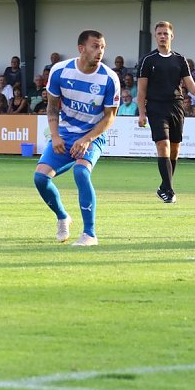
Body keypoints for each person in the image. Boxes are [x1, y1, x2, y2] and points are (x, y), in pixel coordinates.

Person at [34, 30, 120, 247]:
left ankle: (89, 234)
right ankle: (63, 217)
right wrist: (54, 136)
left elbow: (109, 118)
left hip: (93, 135)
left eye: (102, 47)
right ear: (81, 48)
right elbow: (52, 108)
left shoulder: (109, 78)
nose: (100, 51)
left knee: (81, 171)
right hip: (64, 133)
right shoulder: (60, 71)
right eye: (95, 46)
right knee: (40, 178)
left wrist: (87, 139)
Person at [136, 21, 195, 204]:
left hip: (176, 106)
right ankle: (170, 191)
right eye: (159, 33)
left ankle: (164, 187)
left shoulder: (180, 59)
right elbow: (141, 90)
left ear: (172, 36)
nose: (162, 36)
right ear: (155, 36)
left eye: (166, 33)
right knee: (162, 146)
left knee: (175, 149)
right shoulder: (147, 60)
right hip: (156, 107)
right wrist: (142, 113)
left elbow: (188, 81)